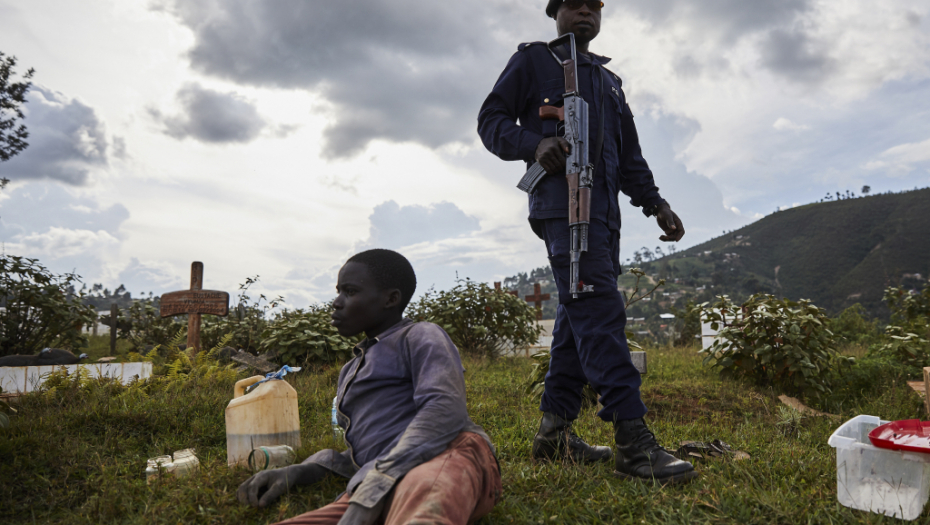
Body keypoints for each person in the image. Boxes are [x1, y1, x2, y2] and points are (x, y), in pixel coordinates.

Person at [477, 0, 696, 484]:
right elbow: (490, 121)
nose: (585, 13)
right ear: (554, 13)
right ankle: (634, 444)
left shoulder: (609, 83)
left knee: (576, 318)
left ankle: (554, 435)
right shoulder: (534, 60)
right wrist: (533, 145)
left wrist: (656, 203)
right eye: (573, 5)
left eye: (593, 6)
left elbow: (629, 154)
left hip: (604, 216)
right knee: (598, 311)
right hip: (564, 208)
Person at [237, 249, 501, 524]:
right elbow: (368, 450)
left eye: (350, 292)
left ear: (391, 299)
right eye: (339, 292)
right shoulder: (350, 370)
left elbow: (444, 409)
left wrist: (373, 489)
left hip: (444, 455)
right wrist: (301, 471)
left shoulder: (421, 335)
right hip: (379, 477)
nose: (337, 303)